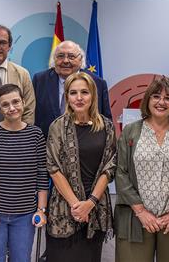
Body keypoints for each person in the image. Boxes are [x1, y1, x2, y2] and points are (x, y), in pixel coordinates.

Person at [115, 76, 169, 262]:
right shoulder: (130, 132)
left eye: (168, 98)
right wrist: (141, 212)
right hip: (135, 219)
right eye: (156, 96)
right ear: (147, 100)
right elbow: (121, 172)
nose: (161, 102)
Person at [46, 72, 116, 262]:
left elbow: (110, 167)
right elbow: (53, 168)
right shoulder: (57, 127)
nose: (78, 98)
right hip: (64, 209)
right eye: (73, 92)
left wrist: (90, 203)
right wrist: (77, 206)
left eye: (84, 92)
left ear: (93, 95)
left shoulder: (107, 127)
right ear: (66, 96)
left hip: (96, 208)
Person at [0, 84, 49, 262]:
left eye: (16, 102)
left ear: (24, 102)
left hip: (25, 215)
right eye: (5, 104)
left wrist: (41, 210)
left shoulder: (35, 135)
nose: (12, 108)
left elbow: (42, 175)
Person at [32, 40, 111, 139]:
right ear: (54, 59)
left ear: (81, 59)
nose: (65, 61)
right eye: (60, 56)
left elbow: (106, 120)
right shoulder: (40, 80)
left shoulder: (97, 83)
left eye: (71, 56)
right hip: (47, 145)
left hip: (87, 145)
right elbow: (33, 116)